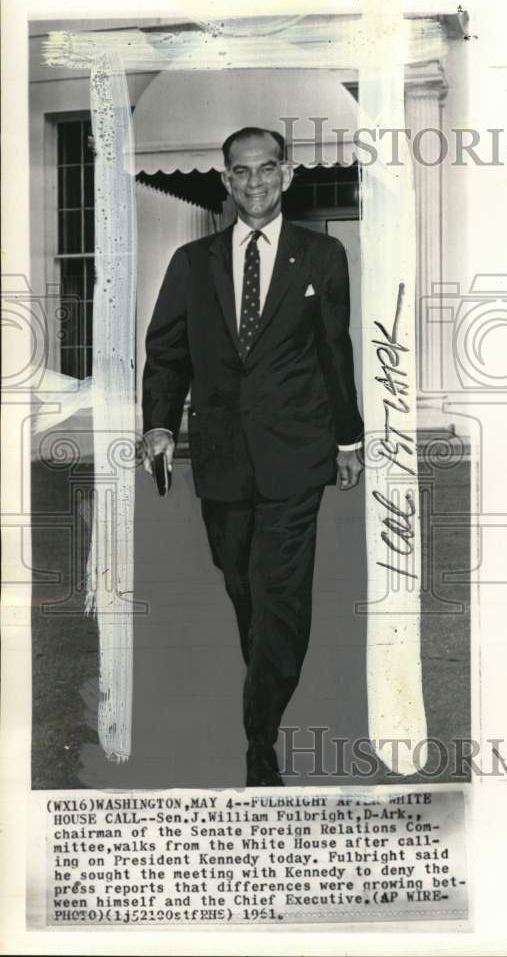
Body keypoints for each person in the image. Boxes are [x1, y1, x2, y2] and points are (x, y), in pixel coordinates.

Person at [141, 127, 364, 786]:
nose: (256, 182)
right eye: (242, 172)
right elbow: (167, 353)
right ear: (226, 181)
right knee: (243, 587)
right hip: (220, 459)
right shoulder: (192, 261)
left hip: (296, 455)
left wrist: (347, 439)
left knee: (281, 595)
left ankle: (258, 739)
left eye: (268, 169)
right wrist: (157, 425)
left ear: (287, 176)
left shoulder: (321, 256)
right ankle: (266, 685)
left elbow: (334, 353)